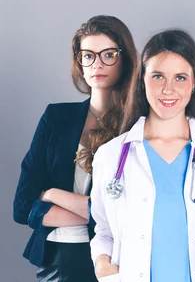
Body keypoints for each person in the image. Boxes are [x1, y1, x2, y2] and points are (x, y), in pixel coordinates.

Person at [89, 29, 195, 282]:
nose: (168, 89)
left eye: (180, 77)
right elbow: (103, 230)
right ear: (142, 78)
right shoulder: (111, 156)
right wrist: (102, 263)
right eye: (158, 76)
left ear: (194, 82)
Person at [12, 15, 137, 281]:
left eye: (108, 54)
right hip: (56, 259)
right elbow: (22, 207)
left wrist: (53, 194)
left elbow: (131, 215)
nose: (97, 64)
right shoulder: (56, 118)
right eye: (88, 55)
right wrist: (96, 214)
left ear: (125, 59)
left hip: (114, 260)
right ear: (79, 61)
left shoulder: (136, 127)